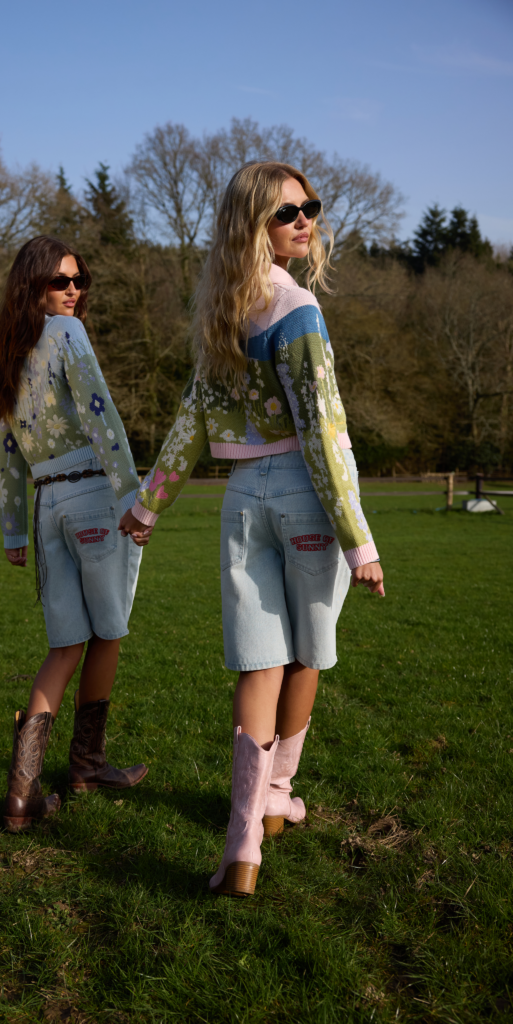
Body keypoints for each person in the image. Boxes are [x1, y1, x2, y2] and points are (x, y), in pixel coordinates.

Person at [119, 162, 384, 896]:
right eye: (286, 213)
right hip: (305, 497)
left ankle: (243, 846)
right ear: (253, 226)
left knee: (257, 663)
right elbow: (321, 432)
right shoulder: (297, 309)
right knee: (305, 656)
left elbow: (190, 423)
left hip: (241, 500)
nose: (305, 222)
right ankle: (275, 798)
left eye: (310, 208)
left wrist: (148, 504)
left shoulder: (221, 314)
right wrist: (359, 541)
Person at [0, 235, 148, 833]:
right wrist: (134, 498)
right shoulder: (67, 334)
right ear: (33, 285)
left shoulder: (8, 354)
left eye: (80, 280)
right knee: (108, 631)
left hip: (45, 505)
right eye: (61, 281)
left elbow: (6, 454)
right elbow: (102, 415)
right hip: (92, 496)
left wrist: (12, 529)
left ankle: (21, 795)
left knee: (64, 646)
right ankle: (87, 766)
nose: (74, 290)